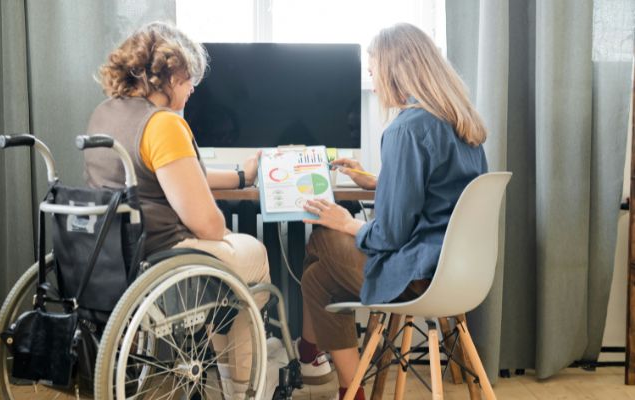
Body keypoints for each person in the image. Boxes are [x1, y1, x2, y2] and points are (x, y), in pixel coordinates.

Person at [296, 23, 489, 400]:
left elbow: (390, 235)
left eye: (373, 72)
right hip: (459, 271)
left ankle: (310, 350)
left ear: (391, 71)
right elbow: (439, 195)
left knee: (322, 233)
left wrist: (346, 222)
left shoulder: (405, 129)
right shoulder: (462, 122)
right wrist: (378, 182)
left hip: (418, 278)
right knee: (318, 279)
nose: (373, 81)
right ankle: (347, 388)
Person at [83, 22, 270, 398]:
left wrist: (239, 176)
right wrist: (226, 231)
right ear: (167, 74)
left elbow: (165, 174)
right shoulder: (163, 124)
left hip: (111, 254)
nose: (194, 87)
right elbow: (207, 226)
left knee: (233, 268)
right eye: (189, 78)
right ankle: (240, 386)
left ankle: (223, 371)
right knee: (255, 259)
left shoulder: (106, 113)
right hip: (163, 255)